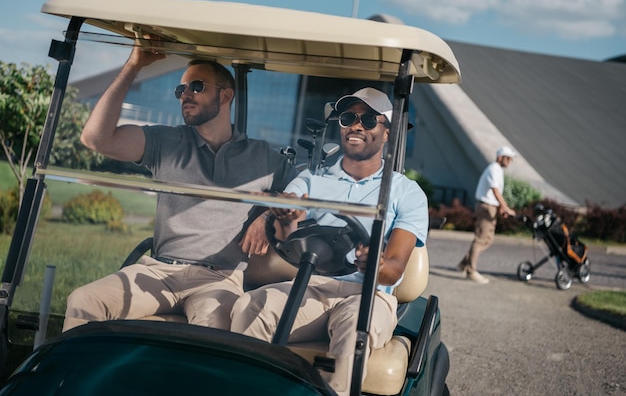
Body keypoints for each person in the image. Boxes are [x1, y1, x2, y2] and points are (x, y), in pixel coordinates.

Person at [62, 45, 297, 331]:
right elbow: (96, 139)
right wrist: (134, 65)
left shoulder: (263, 157)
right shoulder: (166, 142)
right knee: (83, 299)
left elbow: (300, 193)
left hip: (219, 280)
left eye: (196, 87)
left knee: (210, 334)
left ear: (225, 95)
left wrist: (267, 216)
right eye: (181, 89)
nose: (185, 94)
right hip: (157, 271)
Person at [230, 87, 428, 396]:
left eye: (368, 119)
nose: (356, 125)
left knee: (353, 334)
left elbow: (394, 270)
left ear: (387, 133)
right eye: (348, 117)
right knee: (249, 307)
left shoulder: (406, 192)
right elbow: (289, 219)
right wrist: (284, 216)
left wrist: (372, 263)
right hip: (310, 285)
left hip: (368, 295)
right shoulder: (311, 178)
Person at [457, 146, 517, 283]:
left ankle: (464, 264)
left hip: (491, 206)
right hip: (486, 207)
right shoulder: (494, 169)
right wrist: (505, 207)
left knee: (488, 239)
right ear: (500, 157)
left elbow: (495, 193)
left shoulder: (497, 170)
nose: (510, 161)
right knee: (481, 239)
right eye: (508, 158)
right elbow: (495, 190)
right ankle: (471, 270)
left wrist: (500, 207)